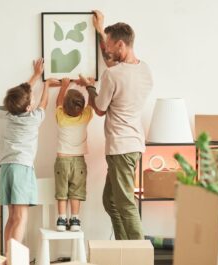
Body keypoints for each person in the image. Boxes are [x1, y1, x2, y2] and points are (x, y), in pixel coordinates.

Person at [76, 10, 153, 240]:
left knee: (125, 204)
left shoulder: (113, 76)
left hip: (120, 147)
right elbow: (113, 64)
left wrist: (89, 87)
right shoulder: (145, 70)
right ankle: (123, 247)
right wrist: (100, 30)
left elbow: (99, 109)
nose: (107, 50)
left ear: (121, 44)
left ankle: (138, 254)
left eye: (110, 46)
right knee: (110, 201)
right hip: (133, 144)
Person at [0, 58, 59, 253]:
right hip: (21, 169)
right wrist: (47, 85)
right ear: (27, 108)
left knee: (12, 217)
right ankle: (14, 258)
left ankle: (8, 256)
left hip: (6, 168)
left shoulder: (9, 116)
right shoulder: (33, 119)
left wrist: (35, 75)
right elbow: (44, 103)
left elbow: (23, 93)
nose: (32, 100)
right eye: (30, 100)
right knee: (21, 217)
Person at [53, 77, 93, 231]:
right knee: (76, 191)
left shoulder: (61, 117)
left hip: (62, 160)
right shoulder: (85, 117)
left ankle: (62, 219)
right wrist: (90, 86)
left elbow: (58, 103)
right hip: (79, 162)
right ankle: (75, 220)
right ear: (81, 109)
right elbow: (91, 104)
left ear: (64, 106)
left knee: (62, 191)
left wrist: (64, 85)